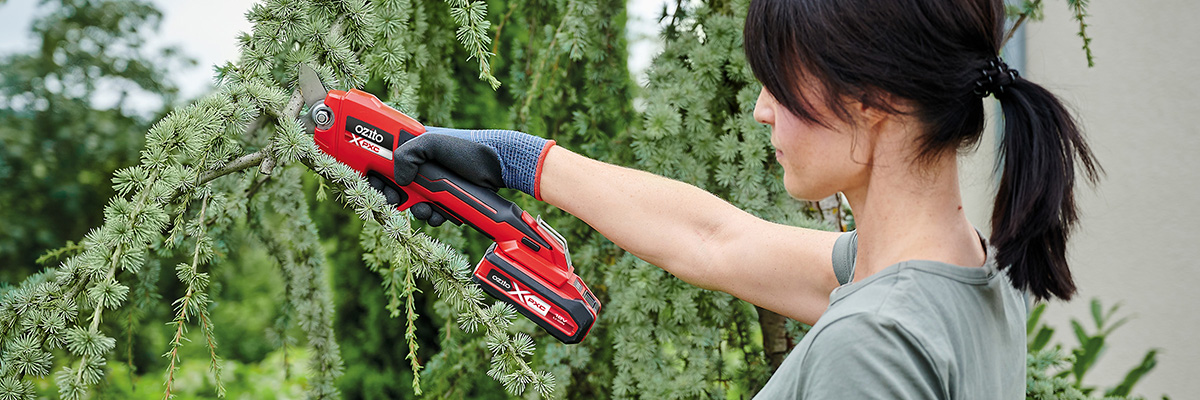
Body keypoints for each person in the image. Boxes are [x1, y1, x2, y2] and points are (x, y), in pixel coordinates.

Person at [391, 0, 1100, 397]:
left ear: (873, 101)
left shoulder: (873, 344)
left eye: (781, 85)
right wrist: (515, 159)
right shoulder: (960, 269)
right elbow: (715, 240)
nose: (763, 110)